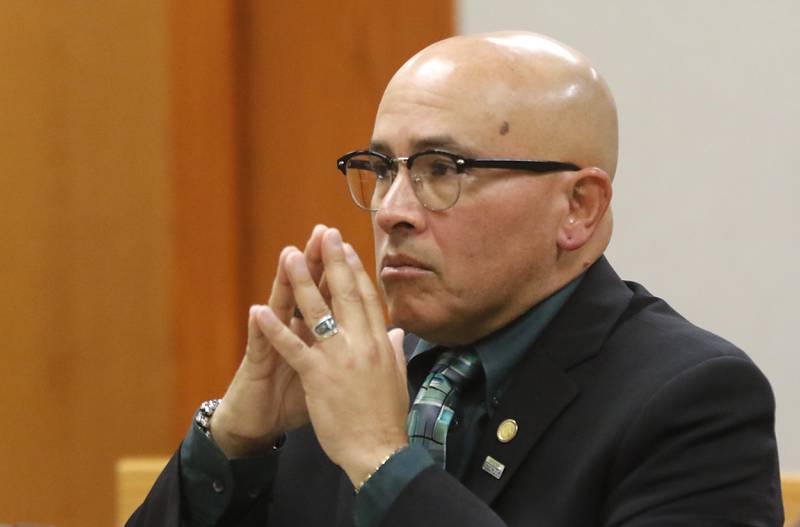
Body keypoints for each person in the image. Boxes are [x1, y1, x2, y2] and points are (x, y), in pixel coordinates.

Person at [127, 31, 783, 526]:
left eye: (442, 169)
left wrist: (386, 463)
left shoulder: (692, 400)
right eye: (383, 168)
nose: (391, 210)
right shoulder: (338, 378)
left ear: (578, 207)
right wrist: (232, 442)